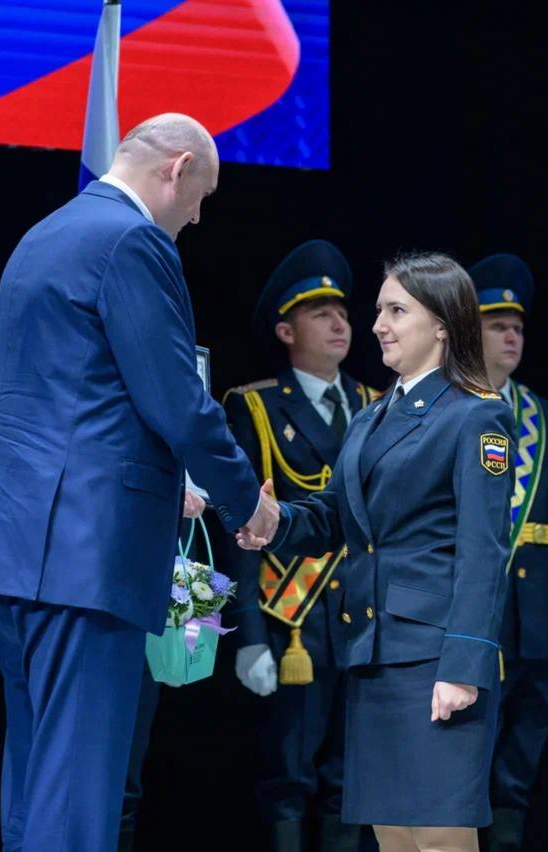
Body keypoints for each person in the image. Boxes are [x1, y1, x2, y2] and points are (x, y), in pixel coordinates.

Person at [0, 113, 279, 852]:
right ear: (176, 167)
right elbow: (177, 402)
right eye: (201, 194)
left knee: (36, 779)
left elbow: (5, 395)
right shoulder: (134, 242)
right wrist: (245, 498)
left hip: (13, 545)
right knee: (81, 791)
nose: (197, 215)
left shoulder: (41, 236)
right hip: (89, 553)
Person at [239, 252, 515, 852]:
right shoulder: (370, 420)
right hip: (372, 653)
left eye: (396, 310)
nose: (378, 325)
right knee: (393, 835)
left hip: (435, 657)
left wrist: (464, 667)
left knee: (441, 837)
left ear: (442, 323)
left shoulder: (478, 417)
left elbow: (483, 552)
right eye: (380, 311)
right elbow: (334, 518)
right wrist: (273, 520)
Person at [220, 239, 378, 852]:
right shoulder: (254, 406)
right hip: (292, 624)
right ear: (286, 330)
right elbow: (242, 524)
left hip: (363, 619)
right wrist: (250, 636)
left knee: (352, 775)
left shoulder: (375, 404)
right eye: (320, 314)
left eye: (342, 312)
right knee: (288, 777)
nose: (340, 323)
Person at [466, 254, 548, 852]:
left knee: (519, 765)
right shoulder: (446, 407)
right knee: (467, 763)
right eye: (498, 326)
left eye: (518, 327)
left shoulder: (541, 414)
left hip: (536, 617)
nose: (513, 336)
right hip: (471, 620)